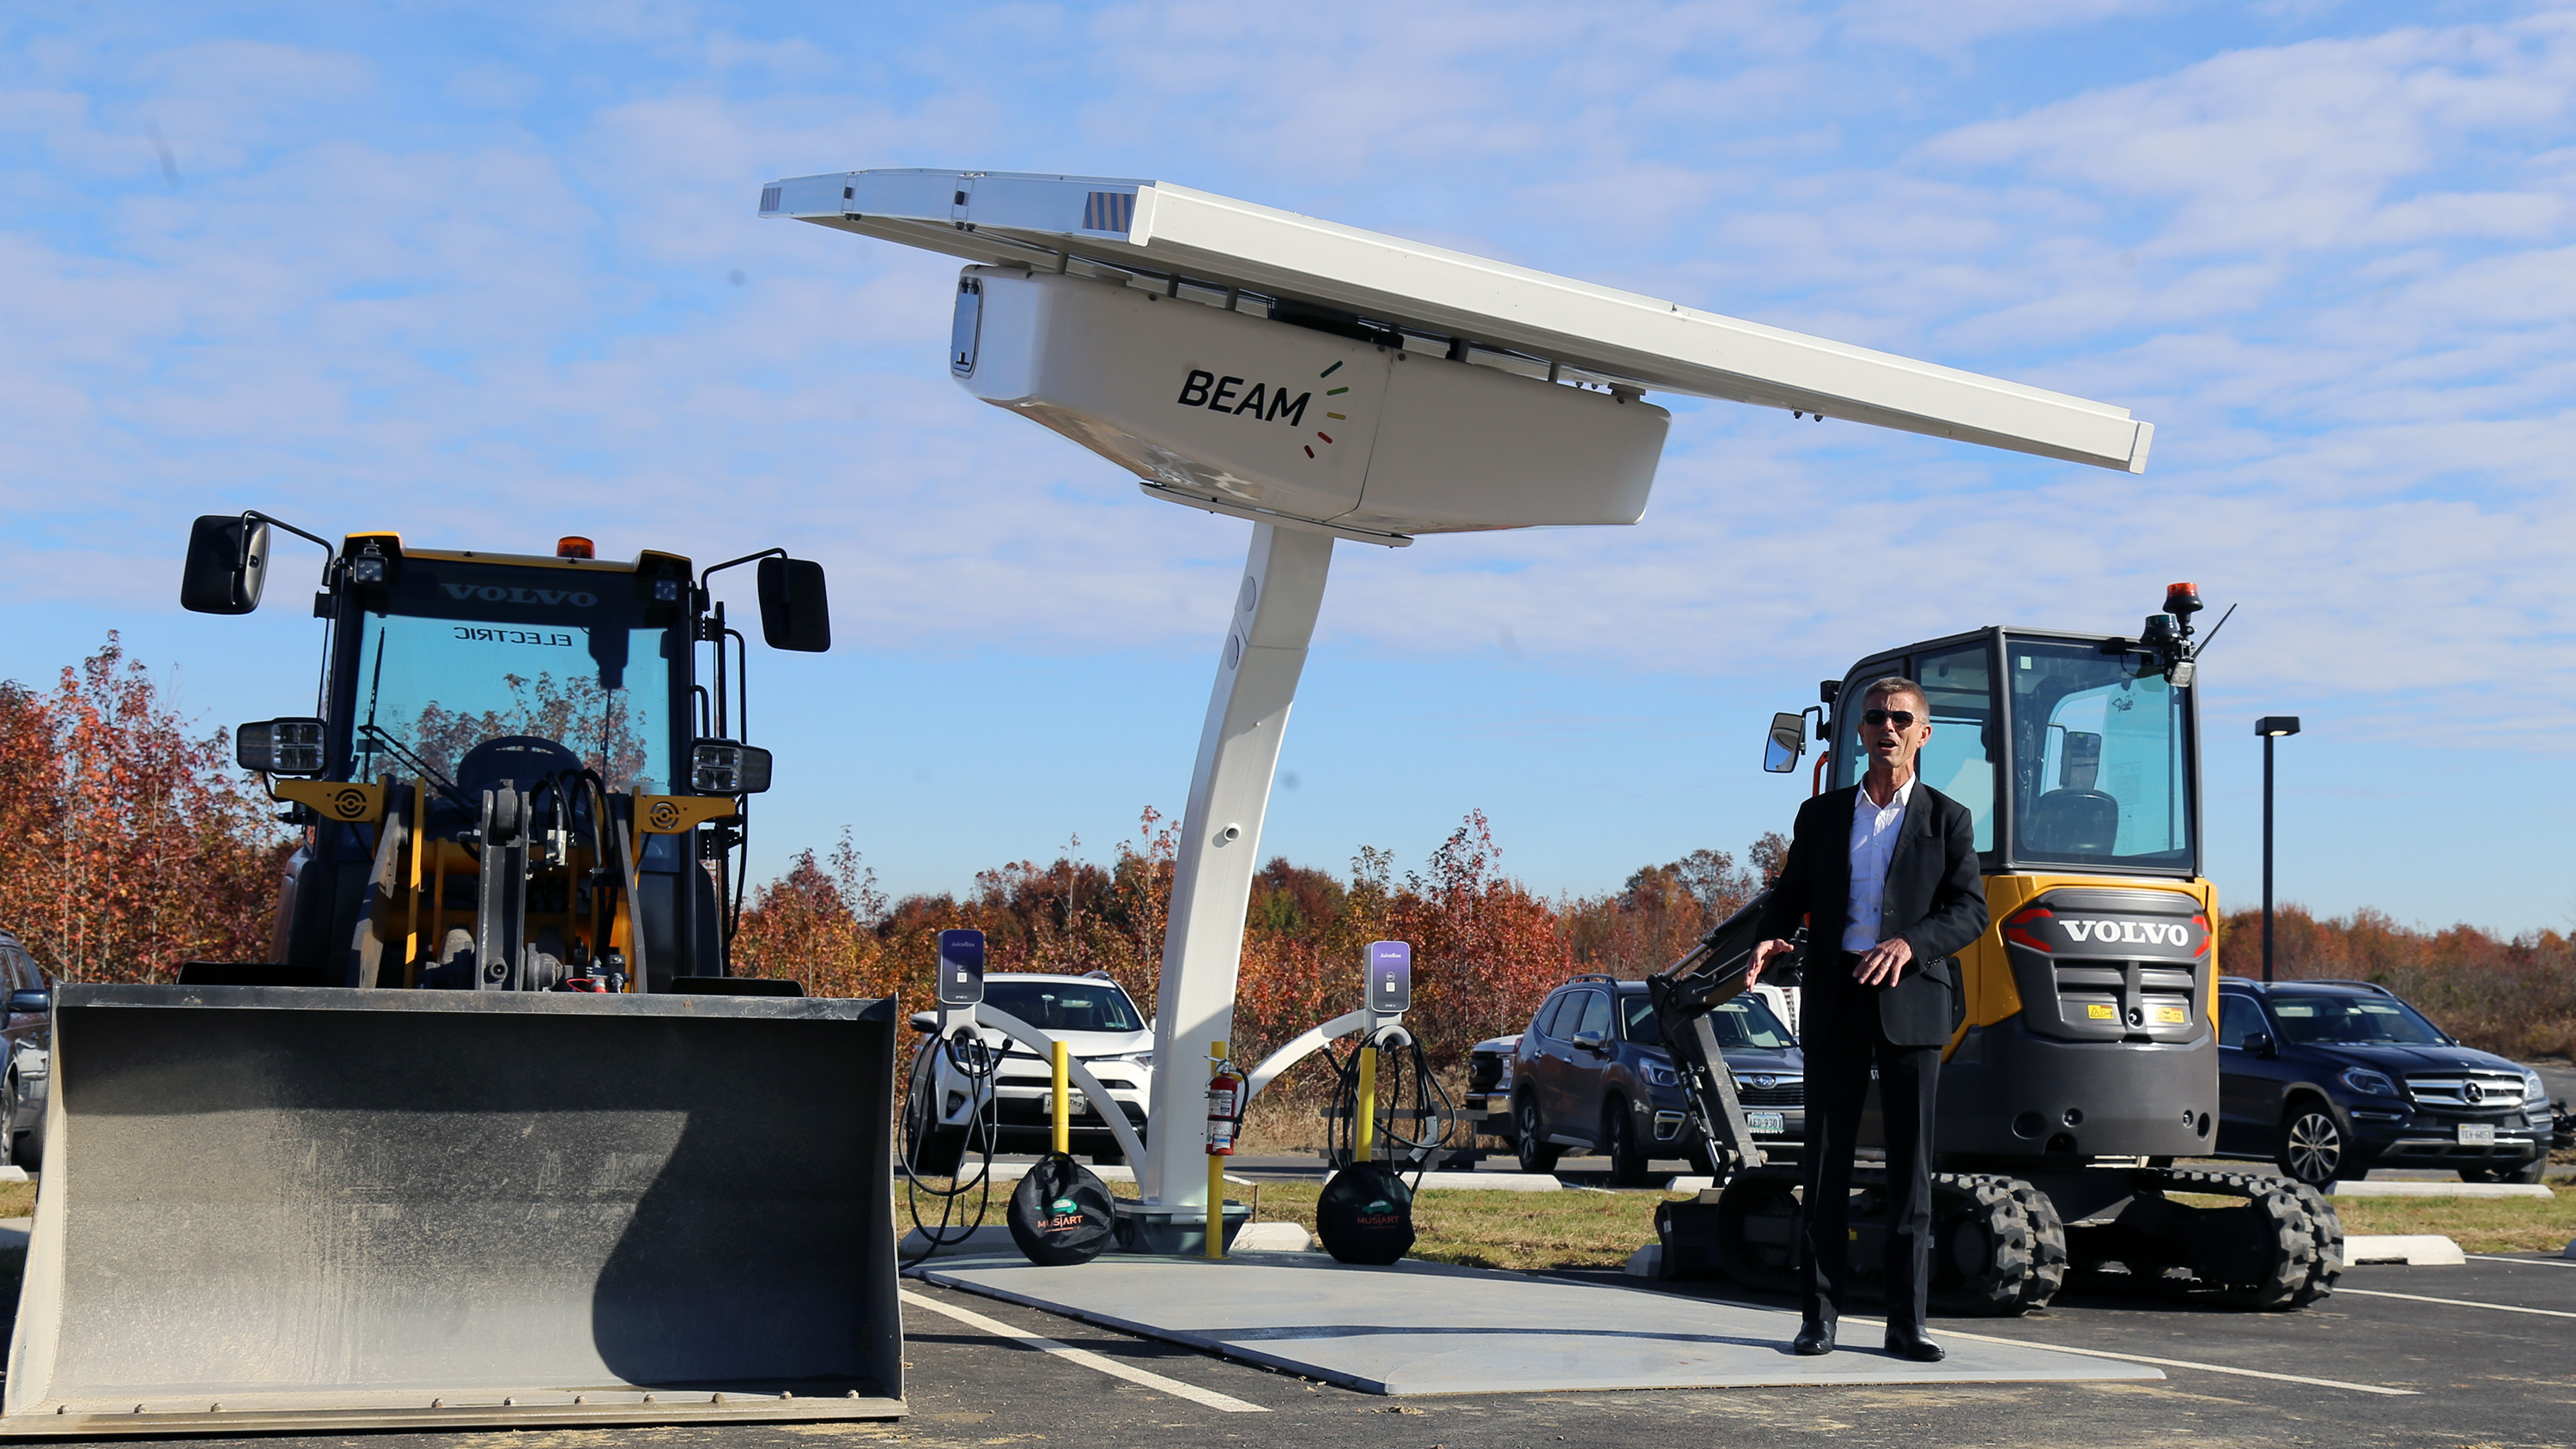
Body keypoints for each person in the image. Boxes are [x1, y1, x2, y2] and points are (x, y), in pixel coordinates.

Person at [1743, 676, 1987, 1362]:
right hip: (1835, 995)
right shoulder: (1820, 816)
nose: (1887, 727)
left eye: (1900, 718)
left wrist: (1912, 943)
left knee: (1911, 1173)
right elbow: (1788, 892)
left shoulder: (1949, 819)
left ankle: (1907, 1327)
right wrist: (1772, 931)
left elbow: (1970, 910)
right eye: (1876, 717)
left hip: (1912, 999)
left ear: (1923, 733)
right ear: (1859, 733)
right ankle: (1818, 1319)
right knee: (1824, 1166)